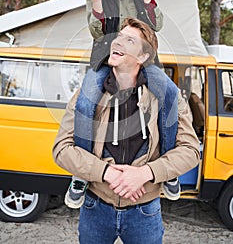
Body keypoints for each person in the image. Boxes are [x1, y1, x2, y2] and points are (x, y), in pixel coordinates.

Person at [53, 17, 200, 244]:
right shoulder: (88, 94)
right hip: (95, 207)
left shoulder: (168, 99)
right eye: (118, 37)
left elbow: (190, 150)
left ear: (143, 56)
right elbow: (61, 149)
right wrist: (107, 173)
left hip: (145, 211)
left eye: (129, 40)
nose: (118, 43)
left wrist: (145, 174)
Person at [65, 0, 180, 208]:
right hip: (106, 59)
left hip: (142, 59)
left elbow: (157, 24)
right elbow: (98, 31)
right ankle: (82, 173)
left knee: (171, 95)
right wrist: (95, 0)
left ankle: (168, 166)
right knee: (85, 101)